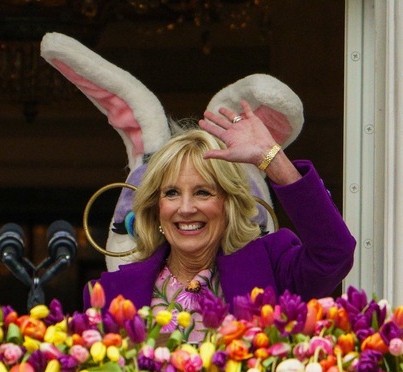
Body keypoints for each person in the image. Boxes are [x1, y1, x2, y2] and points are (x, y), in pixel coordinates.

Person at [83, 100, 355, 341]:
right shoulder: (110, 294)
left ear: (228, 203)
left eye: (203, 192)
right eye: (172, 193)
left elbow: (334, 253)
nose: (186, 208)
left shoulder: (272, 267)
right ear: (156, 208)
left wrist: (271, 158)